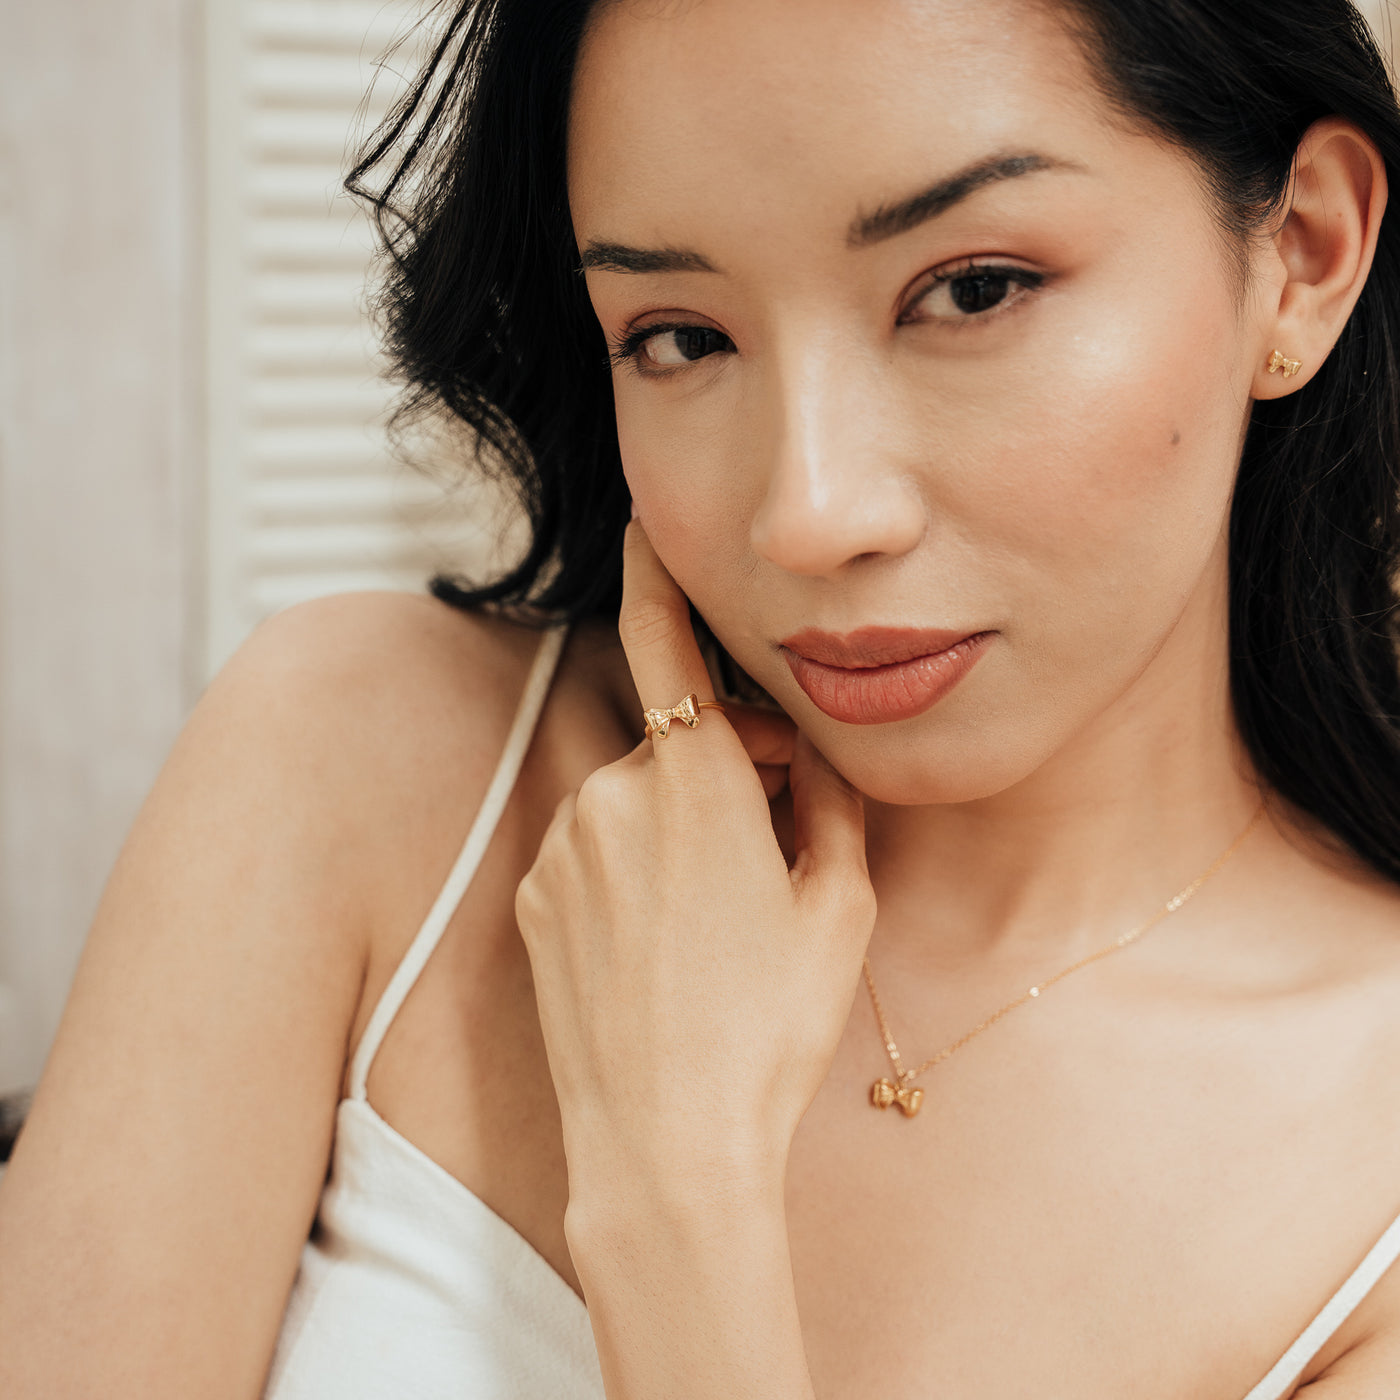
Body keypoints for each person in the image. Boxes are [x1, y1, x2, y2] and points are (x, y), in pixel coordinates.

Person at [4, 0, 1400, 1394]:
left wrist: (678, 1199)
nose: (809, 513)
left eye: (973, 289)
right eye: (680, 337)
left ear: (1303, 253)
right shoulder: (357, 760)